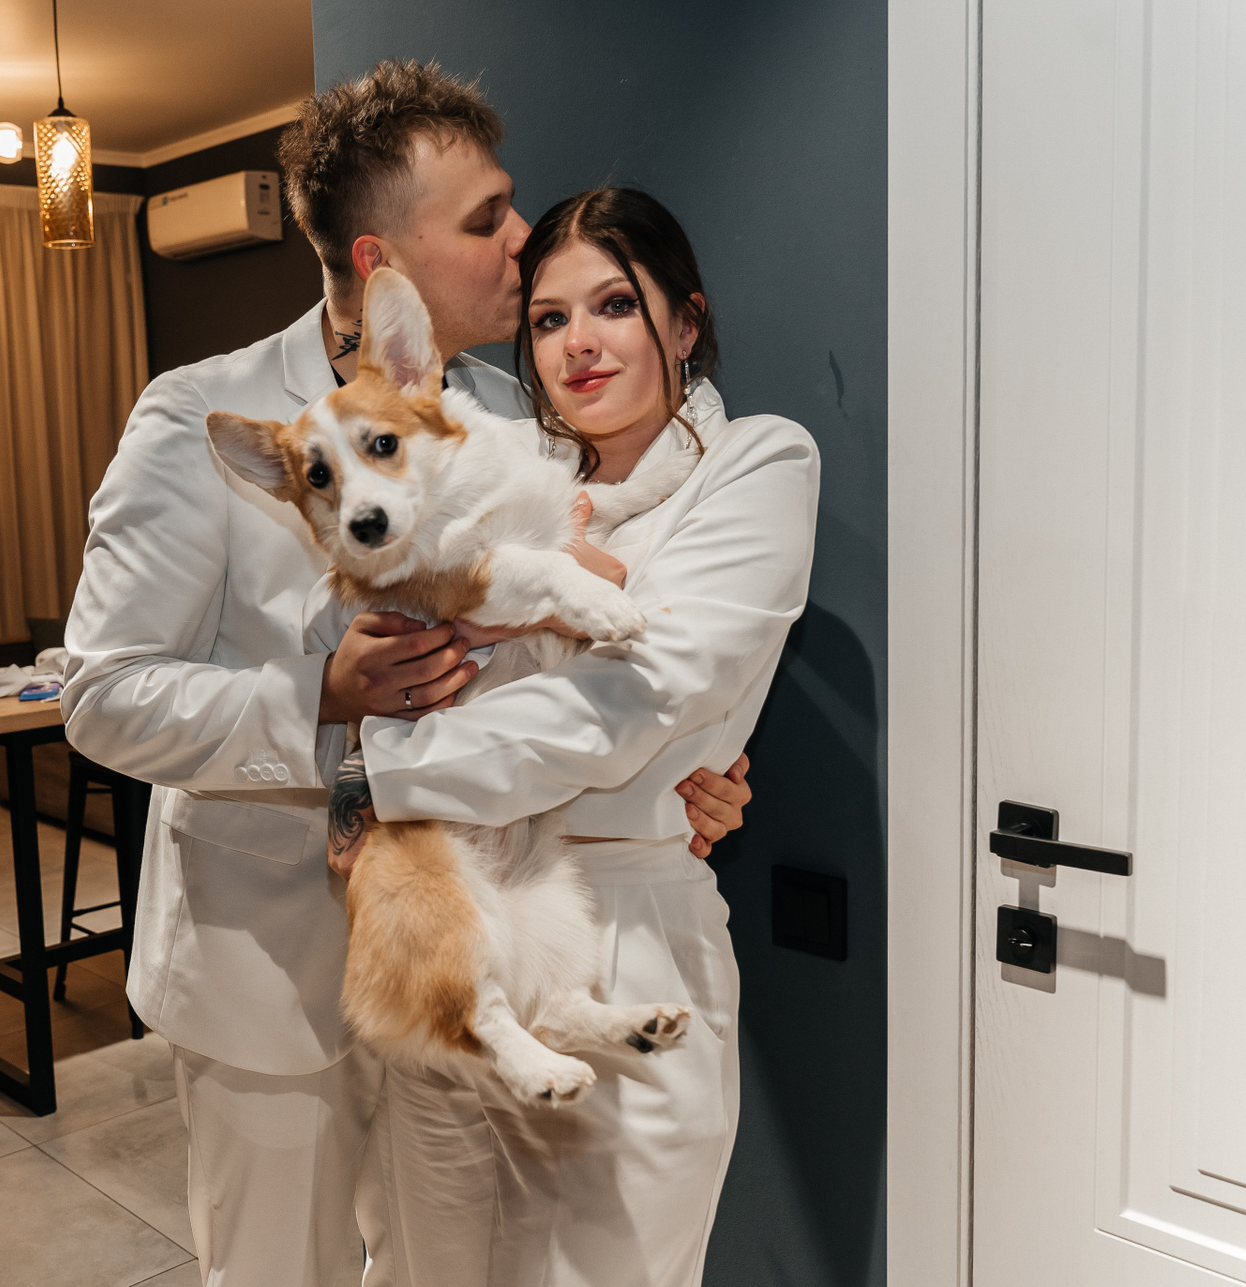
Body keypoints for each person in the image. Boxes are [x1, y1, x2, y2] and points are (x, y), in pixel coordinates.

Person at [60, 62, 753, 1287]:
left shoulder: (504, 408)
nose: (522, 237)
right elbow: (101, 696)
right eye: (486, 219)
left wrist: (688, 771)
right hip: (273, 979)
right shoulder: (197, 418)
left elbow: (568, 628)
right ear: (385, 261)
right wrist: (322, 697)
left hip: (483, 952)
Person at [322, 187, 819, 1287]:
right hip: (447, 936)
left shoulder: (758, 465)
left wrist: (374, 774)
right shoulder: (495, 476)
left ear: (685, 323)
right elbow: (371, 642)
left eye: (615, 305)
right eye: (549, 318)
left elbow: (636, 702)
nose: (578, 344)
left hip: (625, 933)